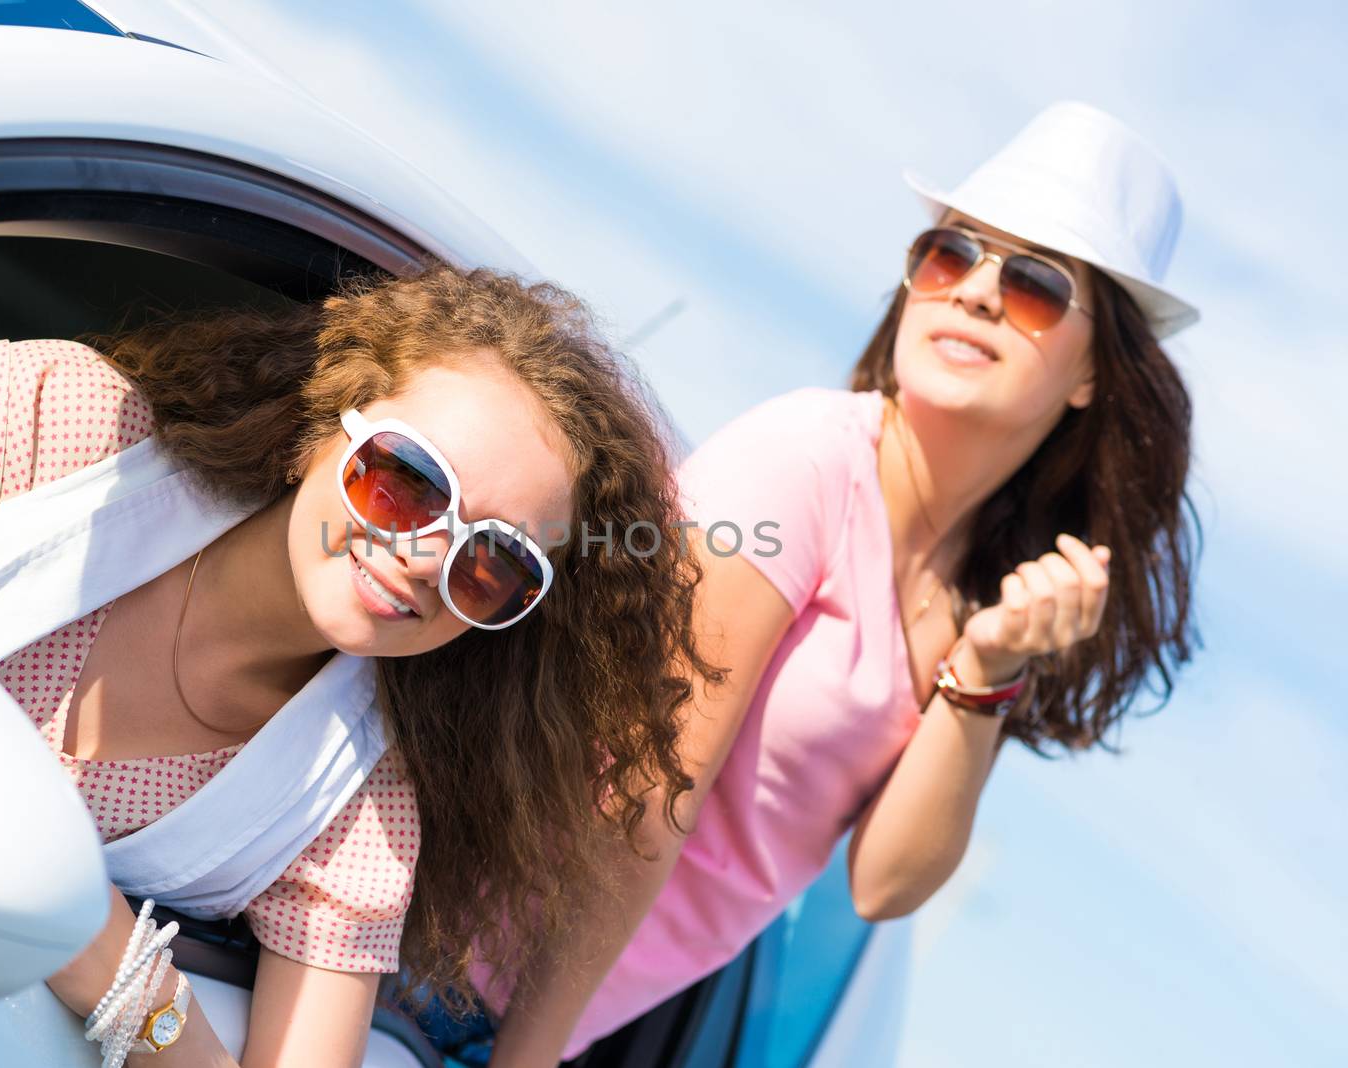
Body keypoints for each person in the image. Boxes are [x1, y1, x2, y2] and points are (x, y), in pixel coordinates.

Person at [0, 266, 714, 1066]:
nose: (427, 557)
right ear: (324, 421)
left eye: (492, 564)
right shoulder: (76, 430)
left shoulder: (348, 808)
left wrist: (124, 979)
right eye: (408, 482)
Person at [484, 101, 1202, 1065]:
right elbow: (645, 792)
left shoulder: (972, 602)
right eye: (951, 256)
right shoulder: (808, 460)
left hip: (517, 1027)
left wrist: (987, 669)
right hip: (457, 978)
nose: (977, 292)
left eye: (1034, 285)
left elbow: (884, 887)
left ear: (1093, 378)